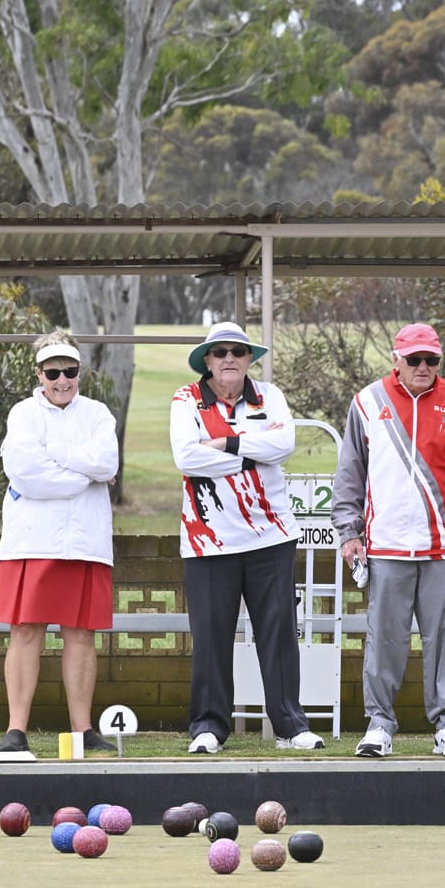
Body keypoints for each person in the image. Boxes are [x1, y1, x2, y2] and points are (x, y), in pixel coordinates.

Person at [332, 322, 445, 758]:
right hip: (385, 546)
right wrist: (349, 531)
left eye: (431, 359)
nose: (424, 367)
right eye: (415, 359)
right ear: (396, 360)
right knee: (384, 638)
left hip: (441, 546)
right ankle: (380, 724)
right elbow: (350, 474)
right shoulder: (367, 402)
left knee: (442, 636)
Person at [170, 321, 324, 755]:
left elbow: (284, 444)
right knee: (211, 636)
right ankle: (208, 728)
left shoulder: (269, 396)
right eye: (220, 353)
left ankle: (290, 726)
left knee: (278, 634)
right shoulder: (185, 399)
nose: (229, 359)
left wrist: (224, 444)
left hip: (271, 535)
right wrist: (248, 456)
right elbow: (186, 456)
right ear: (207, 361)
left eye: (238, 351)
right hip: (208, 541)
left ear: (249, 358)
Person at [0, 330, 119, 755]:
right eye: (53, 372)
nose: (62, 380)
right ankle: (15, 730)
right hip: (32, 540)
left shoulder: (99, 414)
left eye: (70, 371)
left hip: (85, 541)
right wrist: (85, 473)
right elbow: (27, 474)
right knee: (25, 631)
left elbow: (107, 461)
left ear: (80, 371)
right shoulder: (23, 414)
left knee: (81, 634)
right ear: (39, 373)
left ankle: (83, 730)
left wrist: (55, 453)